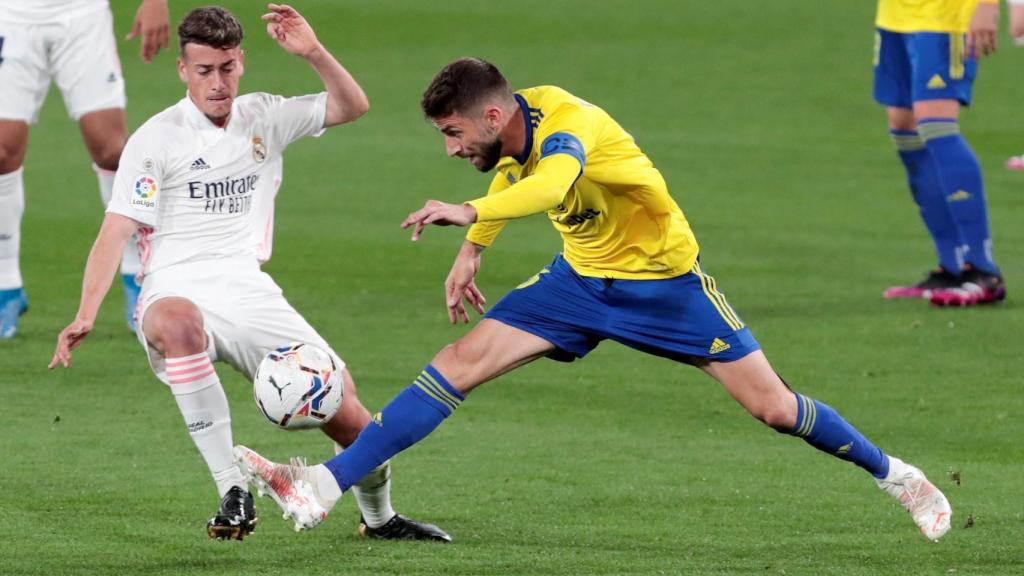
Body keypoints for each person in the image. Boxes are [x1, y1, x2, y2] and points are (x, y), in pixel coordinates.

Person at [234, 58, 954, 541]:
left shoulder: (569, 123)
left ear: (491, 116)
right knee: (457, 363)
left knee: (775, 409)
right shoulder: (514, 126)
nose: (450, 148)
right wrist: (474, 246)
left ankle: (899, 477)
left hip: (665, 286)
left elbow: (551, 183)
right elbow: (514, 175)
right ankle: (318, 487)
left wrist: (466, 211)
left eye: (453, 133)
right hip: (577, 283)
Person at [50, 4, 450, 543]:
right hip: (173, 285)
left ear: (241, 62)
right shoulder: (156, 139)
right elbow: (114, 230)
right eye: (204, 71)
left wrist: (313, 52)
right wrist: (85, 313)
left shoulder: (264, 115)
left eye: (227, 68)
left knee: (349, 412)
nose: (218, 83)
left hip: (248, 289)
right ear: (183, 70)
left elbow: (352, 105)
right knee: (178, 324)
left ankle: (379, 519)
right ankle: (232, 488)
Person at [0, 0, 170, 338]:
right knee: (2, 153)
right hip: (10, 15)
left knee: (112, 151)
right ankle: (6, 285)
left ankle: (137, 273)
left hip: (81, 13)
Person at [875, 0, 1005, 306]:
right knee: (904, 127)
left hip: (946, 17)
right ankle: (952, 266)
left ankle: (983, 270)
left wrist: (988, 5)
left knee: (937, 126)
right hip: (895, 16)